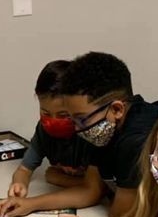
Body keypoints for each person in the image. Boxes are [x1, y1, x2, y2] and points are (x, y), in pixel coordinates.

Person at [0, 51, 158, 217]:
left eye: (80, 119)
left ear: (116, 109)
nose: (76, 129)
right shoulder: (104, 127)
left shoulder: (136, 138)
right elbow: (89, 191)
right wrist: (30, 204)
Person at [7, 60, 96, 198]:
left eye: (63, 115)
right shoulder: (43, 131)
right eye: (46, 113)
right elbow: (23, 170)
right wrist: (19, 184)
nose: (53, 121)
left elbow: (97, 188)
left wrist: (58, 178)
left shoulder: (92, 132)